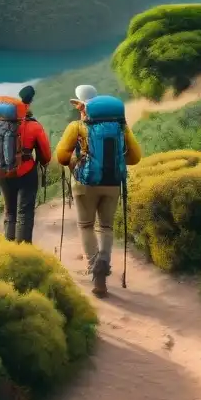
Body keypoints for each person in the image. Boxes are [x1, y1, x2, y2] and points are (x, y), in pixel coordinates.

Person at [56, 84, 142, 297]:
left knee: (86, 226)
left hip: (85, 184)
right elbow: (135, 157)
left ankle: (96, 272)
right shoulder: (121, 126)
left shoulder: (77, 127)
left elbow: (61, 157)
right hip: (113, 183)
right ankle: (104, 258)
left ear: (82, 106)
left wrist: (75, 162)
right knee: (105, 227)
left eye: (78, 104)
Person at [0, 85, 51, 244]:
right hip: (25, 172)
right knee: (24, 211)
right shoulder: (33, 126)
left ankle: (9, 246)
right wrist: (42, 163)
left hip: (1, 171)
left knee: (9, 210)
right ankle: (23, 249)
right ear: (30, 102)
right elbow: (45, 155)